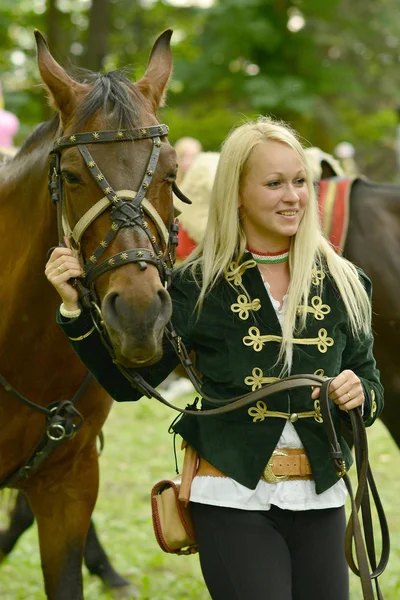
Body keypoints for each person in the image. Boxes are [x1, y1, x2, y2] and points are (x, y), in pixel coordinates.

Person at [45, 116, 383, 600]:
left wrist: (358, 393)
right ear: (238, 193)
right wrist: (76, 310)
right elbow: (129, 385)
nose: (293, 196)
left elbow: (371, 387)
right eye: (274, 183)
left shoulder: (346, 281)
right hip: (230, 496)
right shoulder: (194, 285)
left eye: (300, 181)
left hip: (322, 495)